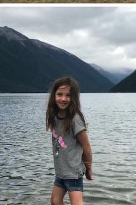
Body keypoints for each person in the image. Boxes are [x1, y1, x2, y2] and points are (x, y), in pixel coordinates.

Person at [46, 77, 93, 205]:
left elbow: (87, 147)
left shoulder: (75, 120)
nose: (63, 99)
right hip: (61, 172)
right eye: (60, 94)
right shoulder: (54, 116)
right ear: (54, 95)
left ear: (74, 98)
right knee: (55, 201)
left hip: (73, 172)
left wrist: (88, 169)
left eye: (68, 95)